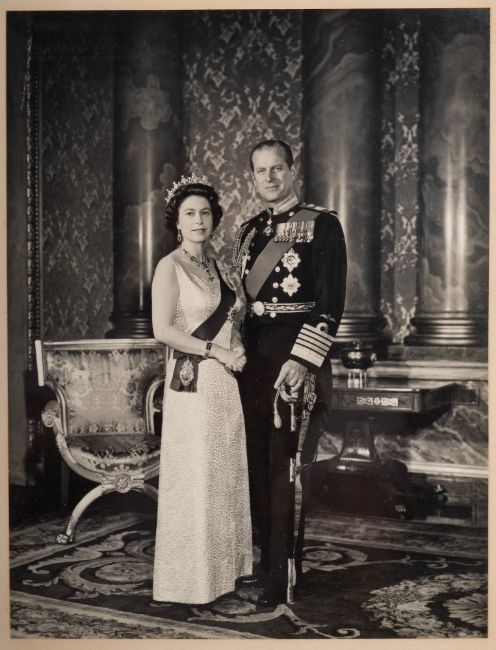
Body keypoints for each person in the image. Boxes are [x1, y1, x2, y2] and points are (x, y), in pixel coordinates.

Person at [233, 139, 347, 606]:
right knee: (257, 467)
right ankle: (265, 564)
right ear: (252, 178)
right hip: (253, 363)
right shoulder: (248, 231)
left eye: (277, 168)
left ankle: (281, 576)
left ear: (292, 170)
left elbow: (330, 303)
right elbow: (242, 306)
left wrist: (303, 361)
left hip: (295, 360)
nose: (270, 178)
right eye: (261, 171)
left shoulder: (322, 225)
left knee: (284, 468)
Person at [152, 174, 252, 605]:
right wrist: (217, 350)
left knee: (223, 473)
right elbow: (163, 330)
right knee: (196, 476)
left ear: (214, 219)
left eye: (205, 213)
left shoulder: (218, 267)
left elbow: (231, 320)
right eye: (189, 213)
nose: (198, 220)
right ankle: (189, 581)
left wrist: (237, 345)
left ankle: (224, 573)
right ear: (177, 221)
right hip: (192, 383)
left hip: (225, 384)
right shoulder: (169, 266)